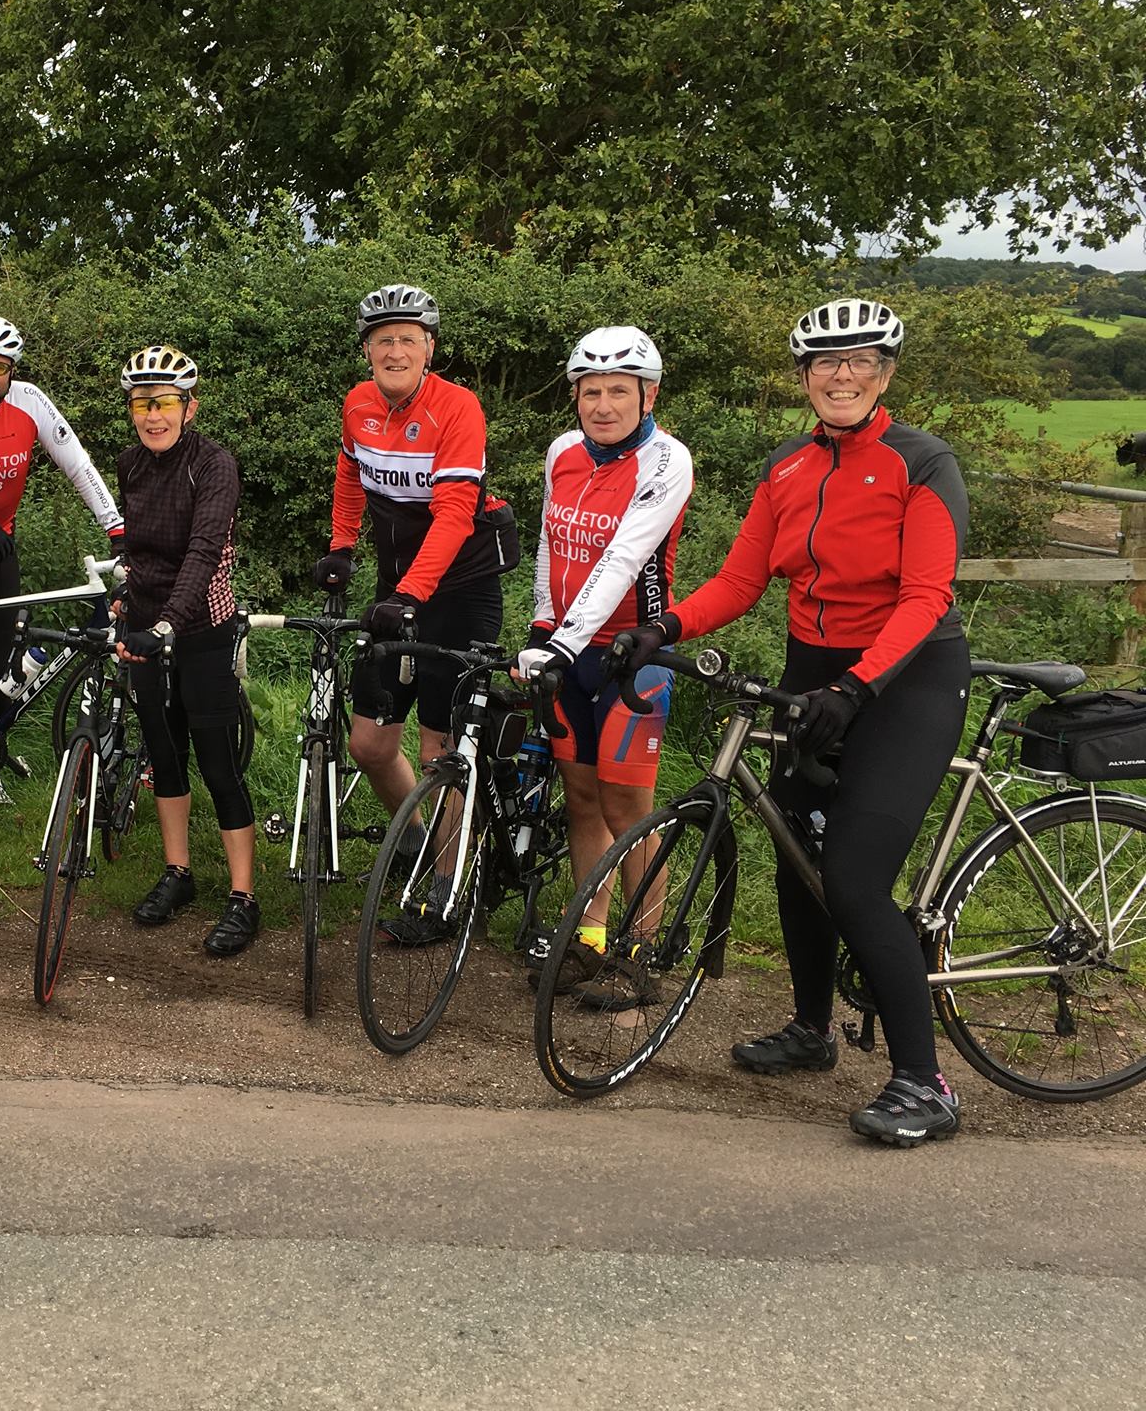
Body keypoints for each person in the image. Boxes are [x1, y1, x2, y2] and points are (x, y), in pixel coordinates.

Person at [614, 298, 970, 1146]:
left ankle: (927, 1083)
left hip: (907, 681)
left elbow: (926, 596)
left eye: (859, 363)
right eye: (825, 364)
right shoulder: (786, 468)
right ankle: (814, 1032)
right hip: (815, 676)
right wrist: (663, 627)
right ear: (805, 377)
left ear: (883, 375)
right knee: (794, 856)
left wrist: (859, 686)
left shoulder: (922, 461)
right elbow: (741, 583)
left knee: (850, 877)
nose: (841, 377)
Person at [313, 284, 520, 945]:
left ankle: (445, 888)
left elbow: (455, 512)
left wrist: (412, 596)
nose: (394, 350)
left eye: (408, 338)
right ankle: (423, 838)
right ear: (367, 351)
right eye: (382, 340)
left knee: (440, 748)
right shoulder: (358, 404)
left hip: (460, 588)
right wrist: (342, 547)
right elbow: (350, 477)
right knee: (369, 743)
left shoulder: (457, 408)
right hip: (398, 586)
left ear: (429, 348)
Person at [516, 327, 692, 986]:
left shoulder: (668, 461)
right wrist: (543, 626)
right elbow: (549, 541)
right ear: (574, 397)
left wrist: (561, 642)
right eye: (591, 391)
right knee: (581, 796)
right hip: (568, 649)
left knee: (627, 808)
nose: (604, 404)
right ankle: (590, 933)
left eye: (620, 390)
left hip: (633, 653)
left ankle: (643, 950)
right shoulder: (563, 451)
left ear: (649, 395)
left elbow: (622, 558)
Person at [114, 347, 260, 957]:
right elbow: (141, 552)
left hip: (202, 627)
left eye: (165, 403)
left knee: (218, 761)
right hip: (148, 626)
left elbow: (202, 553)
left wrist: (170, 624)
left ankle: (243, 897)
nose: (154, 416)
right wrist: (124, 601)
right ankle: (178, 873)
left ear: (188, 407)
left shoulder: (214, 465)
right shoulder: (130, 464)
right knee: (165, 756)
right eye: (142, 404)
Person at [0, 313, 126, 805]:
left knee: (0, 657)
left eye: (0, 366)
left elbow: (79, 466)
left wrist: (116, 529)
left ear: (11, 371)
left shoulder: (28, 403)